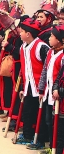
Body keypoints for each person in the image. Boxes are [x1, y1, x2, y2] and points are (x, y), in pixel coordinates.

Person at [15, 18, 49, 146]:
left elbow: (47, 68)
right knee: (27, 111)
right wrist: (24, 87)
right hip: (29, 86)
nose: (20, 33)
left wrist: (43, 88)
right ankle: (28, 135)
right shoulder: (23, 47)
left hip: (41, 88)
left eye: (22, 31)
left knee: (40, 114)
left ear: (28, 33)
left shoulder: (41, 47)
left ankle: (39, 139)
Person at [34, 26, 64, 152]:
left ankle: (55, 150)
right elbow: (45, 71)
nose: (50, 38)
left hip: (57, 95)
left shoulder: (62, 55)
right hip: (48, 92)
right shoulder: (50, 52)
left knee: (56, 123)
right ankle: (51, 147)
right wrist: (41, 90)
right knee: (48, 121)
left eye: (52, 36)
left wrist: (58, 90)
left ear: (59, 40)